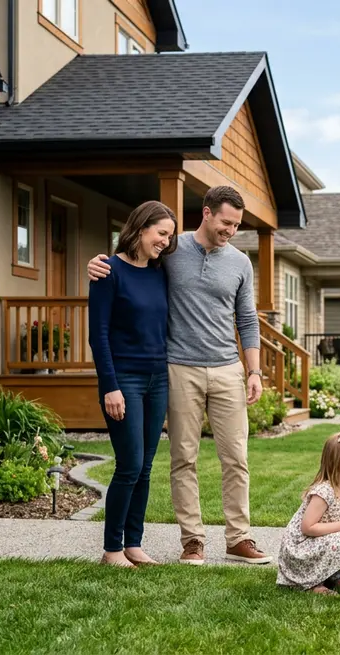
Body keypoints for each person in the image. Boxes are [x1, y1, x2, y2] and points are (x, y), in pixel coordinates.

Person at [87, 185, 271, 566]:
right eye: (226, 222)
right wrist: (97, 263)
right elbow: (131, 262)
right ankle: (192, 541)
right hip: (179, 368)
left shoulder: (240, 263)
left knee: (236, 457)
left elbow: (248, 319)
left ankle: (239, 538)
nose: (230, 231)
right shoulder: (172, 251)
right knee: (182, 457)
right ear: (206, 213)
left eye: (236, 225)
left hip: (226, 368)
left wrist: (254, 370)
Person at [88, 200, 177, 567]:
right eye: (161, 233)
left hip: (158, 379)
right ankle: (112, 549)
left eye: (170, 237)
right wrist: (110, 385)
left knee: (145, 467)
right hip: (123, 379)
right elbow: (98, 335)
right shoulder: (108, 271)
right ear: (141, 228)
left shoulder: (160, 273)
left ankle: (134, 544)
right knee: (129, 464)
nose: (165, 242)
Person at [275, 432, 340, 595]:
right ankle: (314, 583)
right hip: (301, 548)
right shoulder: (324, 491)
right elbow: (307, 528)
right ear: (335, 463)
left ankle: (333, 577)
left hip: (321, 541)